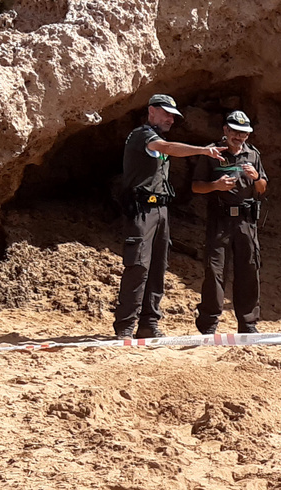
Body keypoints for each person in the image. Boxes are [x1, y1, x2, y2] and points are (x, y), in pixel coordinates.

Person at [113, 94, 225, 339]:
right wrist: (204, 151)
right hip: (142, 210)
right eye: (166, 114)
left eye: (173, 116)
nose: (171, 119)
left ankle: (148, 324)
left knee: (157, 267)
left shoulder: (157, 138)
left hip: (161, 209)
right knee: (138, 266)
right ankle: (125, 326)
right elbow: (168, 148)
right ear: (151, 111)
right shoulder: (143, 135)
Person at [190, 110, 269, 335]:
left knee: (249, 269)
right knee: (214, 271)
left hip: (246, 221)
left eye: (244, 133)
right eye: (235, 131)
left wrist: (256, 178)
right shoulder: (212, 153)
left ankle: (248, 324)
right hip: (220, 220)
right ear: (225, 130)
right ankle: (208, 325)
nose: (239, 136)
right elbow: (196, 186)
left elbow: (262, 188)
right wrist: (216, 185)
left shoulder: (253, 155)